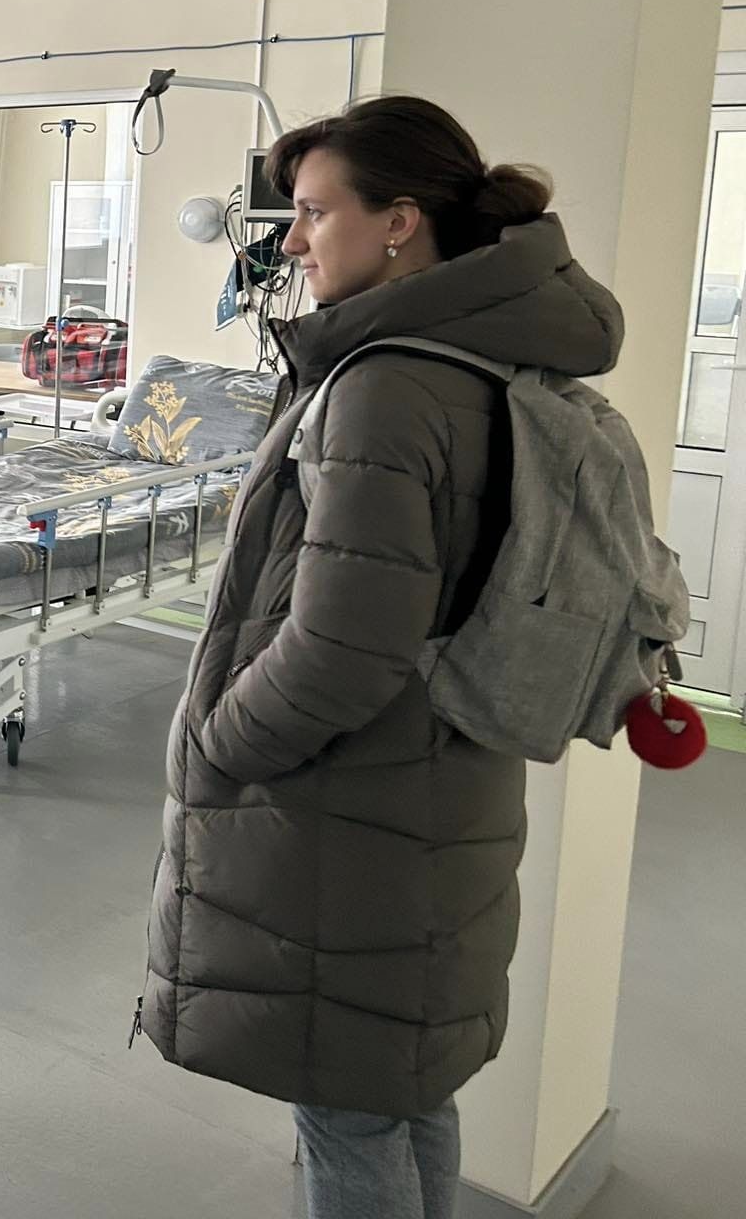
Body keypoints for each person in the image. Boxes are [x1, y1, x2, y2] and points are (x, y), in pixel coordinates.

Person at [138, 96, 624, 1219]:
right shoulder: (486, 354)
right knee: (403, 1089)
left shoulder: (384, 387)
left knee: (347, 1116)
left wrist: (216, 747)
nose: (292, 243)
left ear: (399, 222)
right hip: (439, 785)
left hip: (345, 817)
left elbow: (342, 650)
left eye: (314, 213)